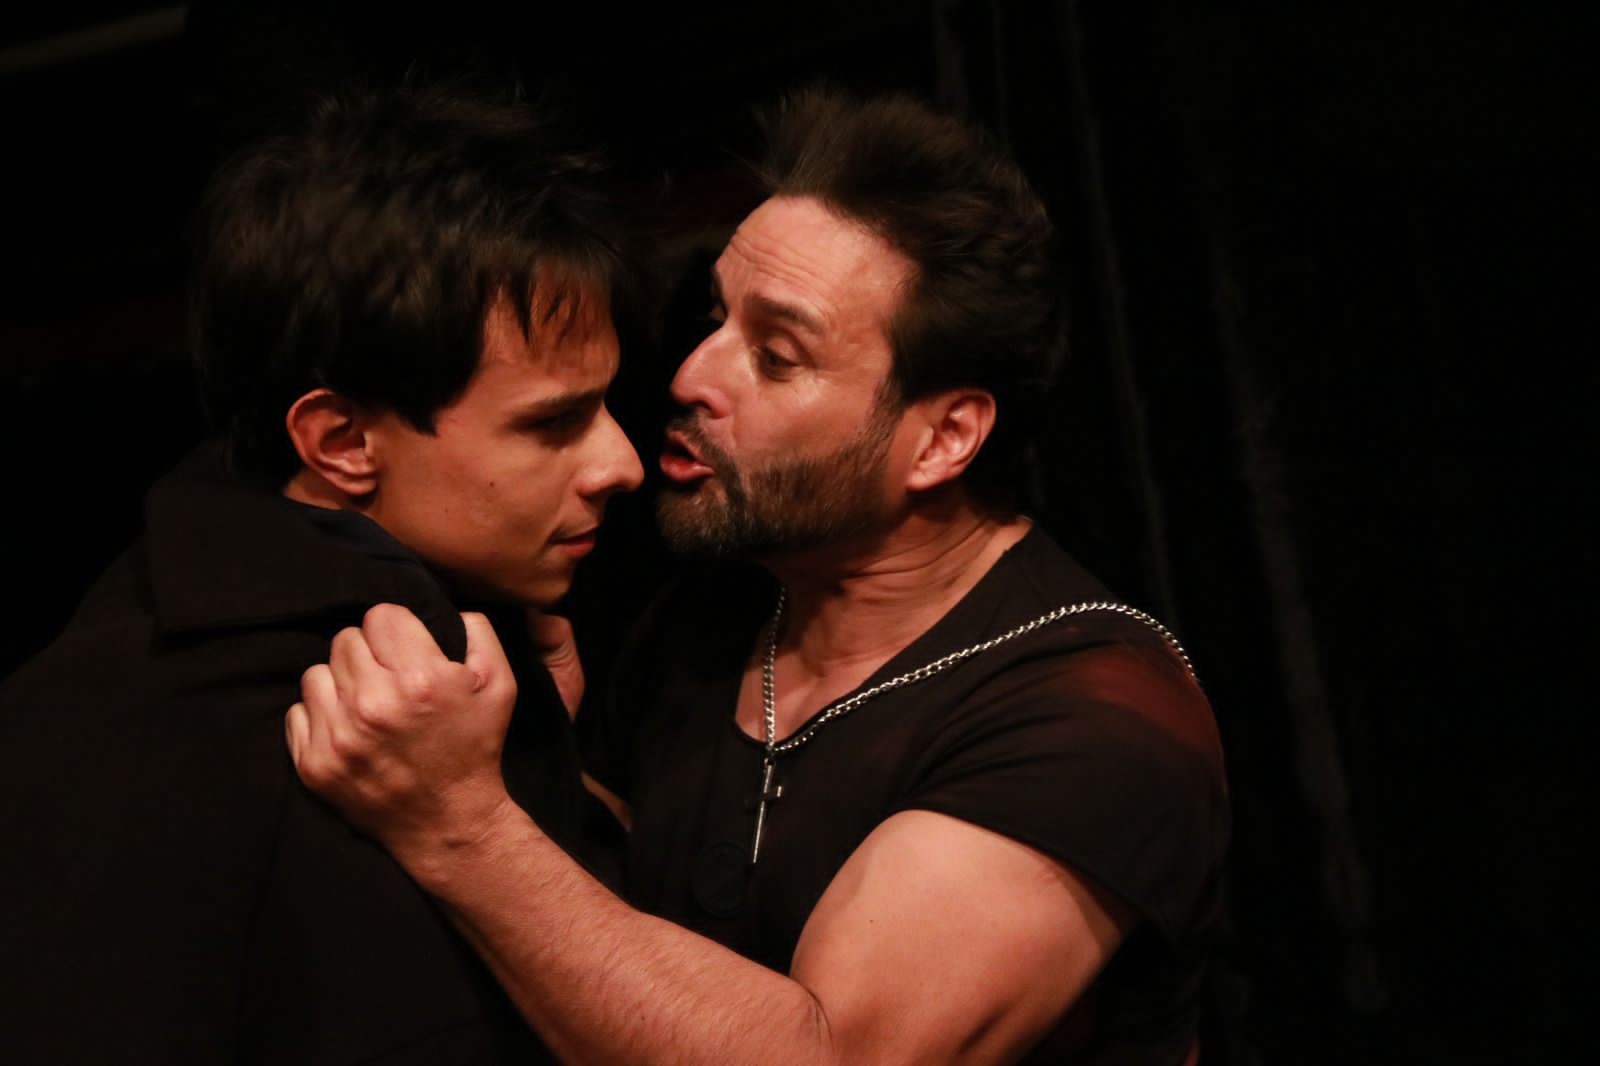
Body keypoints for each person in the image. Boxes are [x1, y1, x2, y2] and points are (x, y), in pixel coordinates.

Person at [288, 90, 1228, 1064]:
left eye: (775, 356)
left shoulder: (1091, 716)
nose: (693, 375)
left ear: (943, 438)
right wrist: (543, 761)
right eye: (714, 318)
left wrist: (463, 826)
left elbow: (829, 1055)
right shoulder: (713, 612)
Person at [0, 84, 641, 1063]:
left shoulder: (452, 640)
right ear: (341, 440)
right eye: (553, 421)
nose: (621, 463)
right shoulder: (174, 729)